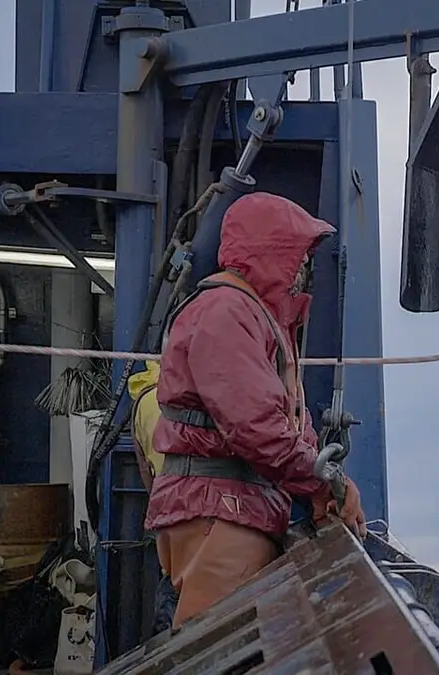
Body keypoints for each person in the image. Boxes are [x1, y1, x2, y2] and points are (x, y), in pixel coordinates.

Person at [144, 191, 368, 629]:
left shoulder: (259, 317)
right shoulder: (227, 312)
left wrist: (322, 483)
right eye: (298, 255)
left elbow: (287, 423)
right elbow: (256, 427)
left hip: (234, 510)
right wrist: (322, 478)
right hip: (219, 512)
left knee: (231, 643)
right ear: (272, 252)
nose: (304, 269)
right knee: (216, 645)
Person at [125, 361, 179, 633]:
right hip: (206, 542)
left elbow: (148, 475)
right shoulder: (198, 394)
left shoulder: (144, 400)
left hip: (170, 537)